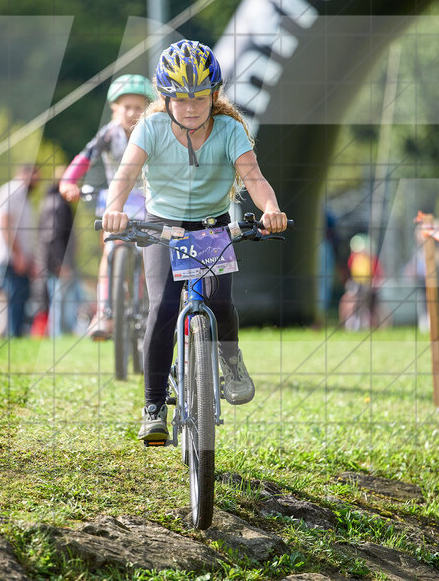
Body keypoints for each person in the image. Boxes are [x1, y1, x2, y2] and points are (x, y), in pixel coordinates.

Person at [100, 39, 288, 442]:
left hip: (211, 225)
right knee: (163, 307)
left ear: (214, 96)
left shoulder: (229, 129)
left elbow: (254, 178)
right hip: (162, 226)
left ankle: (231, 362)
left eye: (200, 98)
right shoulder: (151, 127)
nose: (190, 107)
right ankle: (153, 406)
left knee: (220, 303)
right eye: (181, 98)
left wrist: (271, 208)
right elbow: (125, 174)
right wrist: (115, 209)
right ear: (165, 98)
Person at [60, 74, 156, 341]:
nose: (132, 113)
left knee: (147, 254)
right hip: (116, 200)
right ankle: (104, 312)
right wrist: (68, 181)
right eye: (127, 107)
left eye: (139, 107)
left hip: (148, 201)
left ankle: (145, 306)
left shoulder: (152, 131)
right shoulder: (109, 134)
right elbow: (86, 156)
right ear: (115, 108)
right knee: (110, 248)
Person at [0, 164, 39, 339]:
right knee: (8, 313)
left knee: (7, 315)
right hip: (7, 261)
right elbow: (5, 225)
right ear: (25, 174)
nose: (38, 181)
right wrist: (19, 255)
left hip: (16, 261)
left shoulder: (23, 196)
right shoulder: (11, 192)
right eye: (36, 176)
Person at [35, 166, 81, 336]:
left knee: (60, 301)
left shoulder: (52, 202)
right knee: (59, 302)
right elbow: (52, 237)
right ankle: (58, 335)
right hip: (57, 263)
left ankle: (60, 334)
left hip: (54, 261)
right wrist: (61, 263)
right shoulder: (57, 205)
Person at [339, 233, 383, 330]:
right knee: (347, 301)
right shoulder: (353, 260)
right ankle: (349, 323)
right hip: (356, 287)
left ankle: (370, 323)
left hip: (369, 289)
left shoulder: (372, 261)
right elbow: (351, 277)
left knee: (372, 305)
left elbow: (378, 277)